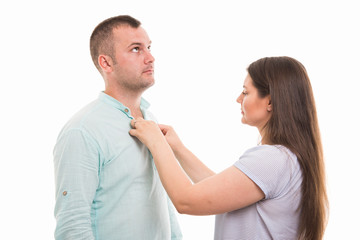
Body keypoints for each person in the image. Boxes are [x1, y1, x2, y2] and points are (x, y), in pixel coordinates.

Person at [129, 56, 329, 240]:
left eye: (245, 92)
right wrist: (178, 149)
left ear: (269, 101)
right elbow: (220, 192)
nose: (238, 99)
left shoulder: (272, 159)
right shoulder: (286, 158)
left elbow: (186, 201)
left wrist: (155, 142)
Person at [53, 15, 182, 240]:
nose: (150, 58)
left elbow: (161, 201)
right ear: (106, 63)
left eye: (149, 47)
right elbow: (72, 226)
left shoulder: (150, 120)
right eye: (136, 49)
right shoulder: (83, 131)